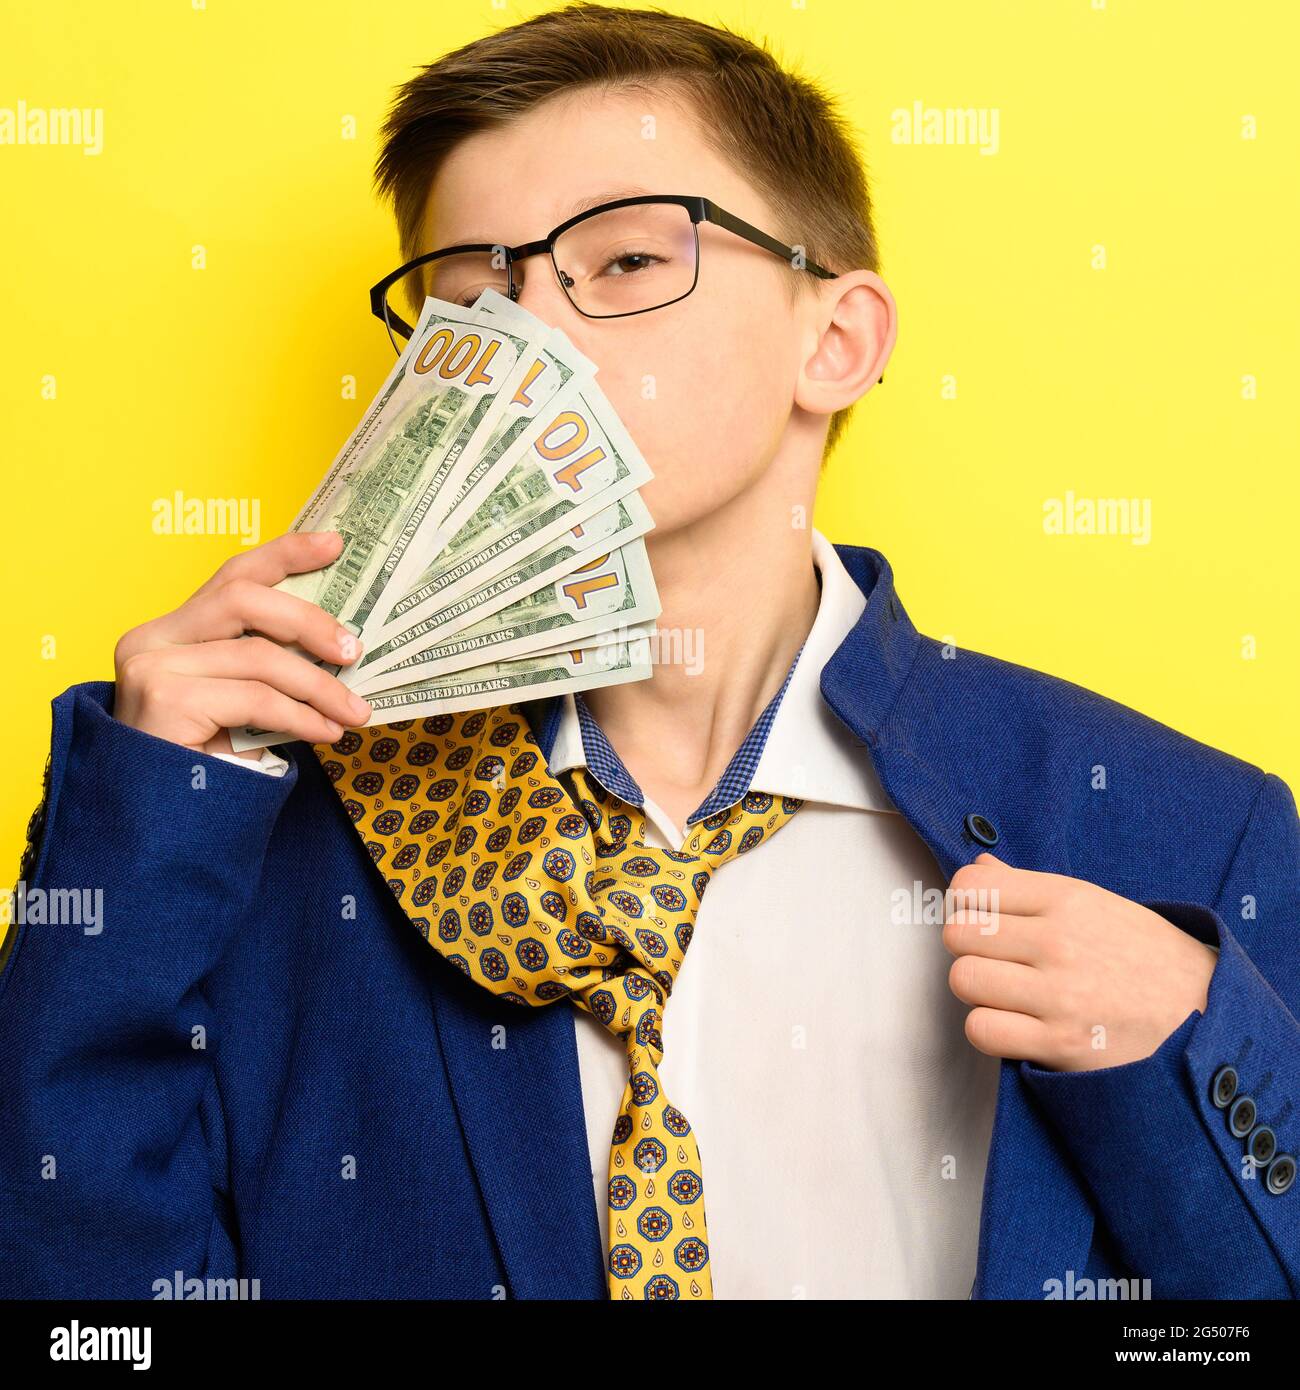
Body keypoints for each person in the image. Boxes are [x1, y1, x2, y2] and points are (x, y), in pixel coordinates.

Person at [2, 2, 1296, 1301]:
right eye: (472, 297)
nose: (535, 335)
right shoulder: (260, 833)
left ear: (835, 340)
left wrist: (1203, 1048)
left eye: (623, 263)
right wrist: (143, 823)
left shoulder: (1183, 833)